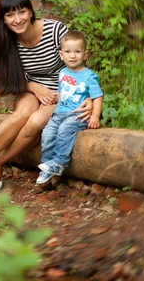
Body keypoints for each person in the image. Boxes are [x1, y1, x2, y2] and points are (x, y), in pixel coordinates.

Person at [0, 0, 93, 196]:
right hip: (29, 90)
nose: (17, 19)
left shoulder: (55, 30)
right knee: (22, 114)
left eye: (21, 12)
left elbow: (79, 68)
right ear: (4, 20)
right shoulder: (7, 41)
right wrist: (34, 87)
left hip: (63, 94)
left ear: (31, 12)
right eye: (10, 15)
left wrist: (84, 96)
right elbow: (10, 81)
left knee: (34, 122)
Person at [35, 31, 104, 185]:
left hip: (77, 116)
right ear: (61, 55)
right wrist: (56, 97)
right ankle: (47, 167)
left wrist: (95, 116)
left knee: (64, 130)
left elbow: (97, 96)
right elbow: (64, 92)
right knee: (47, 134)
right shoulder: (62, 72)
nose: (72, 56)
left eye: (77, 52)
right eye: (68, 52)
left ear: (85, 55)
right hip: (59, 112)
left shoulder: (89, 76)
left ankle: (59, 163)